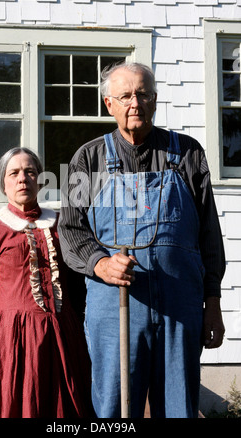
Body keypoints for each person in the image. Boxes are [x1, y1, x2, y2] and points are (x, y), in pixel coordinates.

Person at [58, 62, 225, 418]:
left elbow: (209, 234)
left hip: (180, 305)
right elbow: (71, 231)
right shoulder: (88, 160)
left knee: (179, 406)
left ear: (154, 99)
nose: (136, 103)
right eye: (126, 95)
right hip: (115, 304)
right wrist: (100, 264)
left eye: (143, 94)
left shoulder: (188, 154)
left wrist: (212, 301)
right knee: (115, 409)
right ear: (109, 104)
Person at [0, 147, 92, 418]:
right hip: (13, 342)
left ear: (41, 180)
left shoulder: (61, 225)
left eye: (30, 172)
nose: (23, 178)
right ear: (4, 182)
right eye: (14, 173)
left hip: (63, 339)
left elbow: (80, 291)